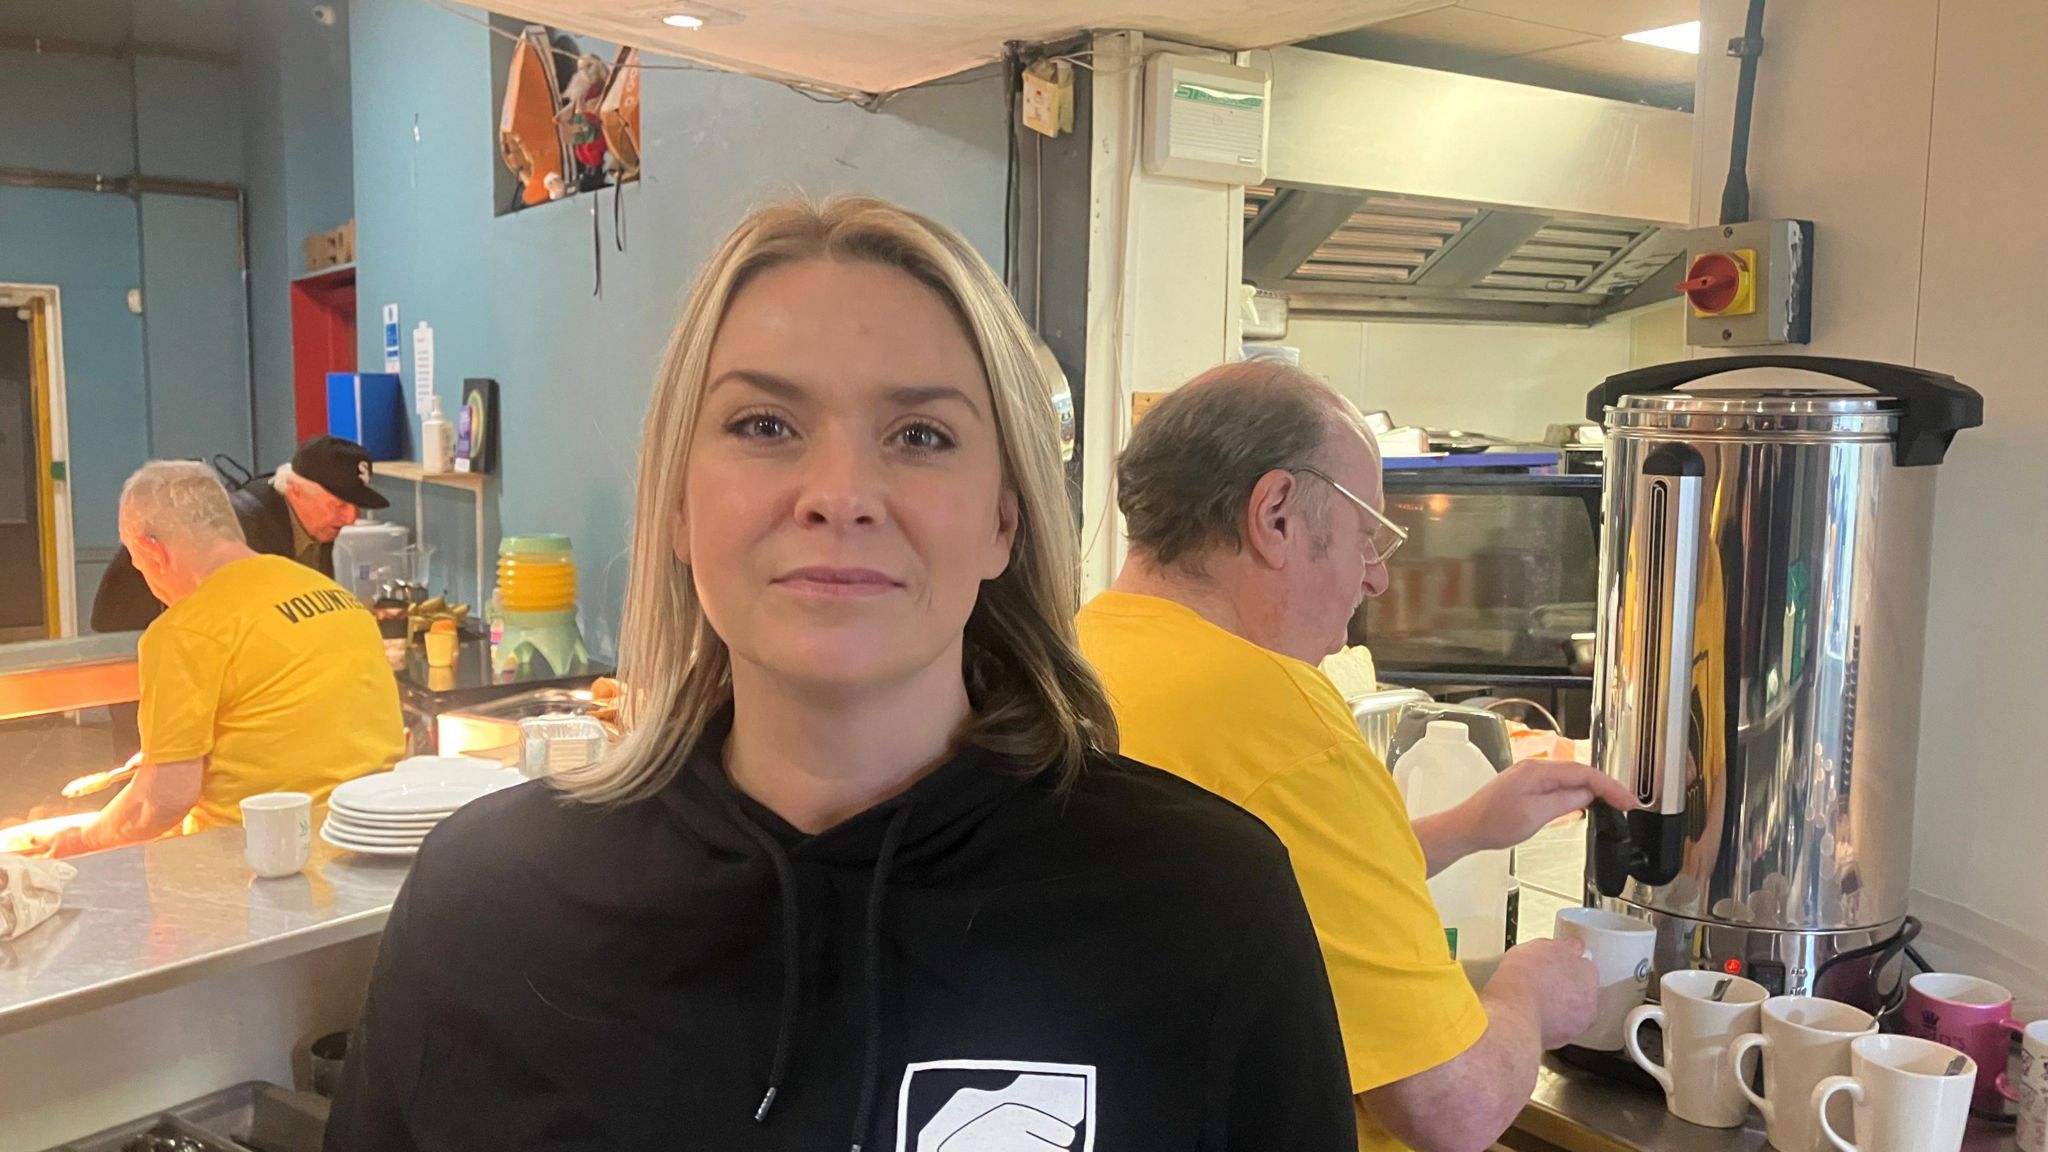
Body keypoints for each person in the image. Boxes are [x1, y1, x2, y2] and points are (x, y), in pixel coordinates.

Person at [324, 198, 1357, 1151]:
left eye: (920, 435)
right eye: (764, 426)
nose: (840, 493)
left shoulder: (1200, 904)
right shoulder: (487, 901)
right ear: (679, 505)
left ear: (1004, 517)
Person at [1077, 360, 1641, 1152]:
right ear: (1274, 515)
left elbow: (1258, 895)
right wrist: (1531, 995)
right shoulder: (1277, 718)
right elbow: (1453, 1108)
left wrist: (1468, 827)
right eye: (1369, 535)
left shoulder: (1077, 656)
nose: (1376, 578)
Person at [32, 462, 404, 858]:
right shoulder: (334, 595)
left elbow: (163, 802)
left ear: (152, 551)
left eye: (140, 568)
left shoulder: (183, 631)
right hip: (370, 842)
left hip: (260, 866)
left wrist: (80, 839)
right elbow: (297, 718)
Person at [91, 435, 391, 634]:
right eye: (339, 504)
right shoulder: (247, 531)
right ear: (296, 490)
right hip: (135, 623)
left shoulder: (317, 524)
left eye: (356, 506)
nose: (351, 518)